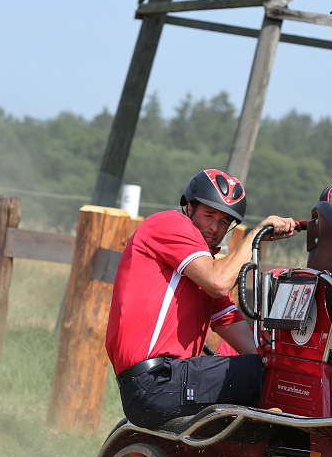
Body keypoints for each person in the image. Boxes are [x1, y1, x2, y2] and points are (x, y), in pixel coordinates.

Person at [105, 169, 296, 428]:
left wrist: (279, 362)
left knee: (272, 372)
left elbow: (239, 333)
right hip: (155, 382)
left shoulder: (200, 269)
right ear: (189, 207)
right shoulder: (170, 224)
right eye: (209, 215)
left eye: (224, 222)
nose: (214, 228)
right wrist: (255, 236)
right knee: (264, 376)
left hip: (166, 382)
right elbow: (218, 282)